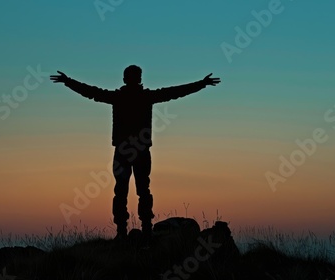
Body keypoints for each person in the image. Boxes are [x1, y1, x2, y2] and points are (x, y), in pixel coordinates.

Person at [50, 65, 221, 243]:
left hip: (125, 151)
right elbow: (174, 92)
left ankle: (125, 232)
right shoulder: (143, 97)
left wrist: (67, 82)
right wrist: (201, 84)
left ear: (125, 79)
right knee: (140, 191)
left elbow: (91, 92)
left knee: (124, 191)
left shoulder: (120, 97)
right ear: (139, 79)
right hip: (138, 150)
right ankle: (143, 230)